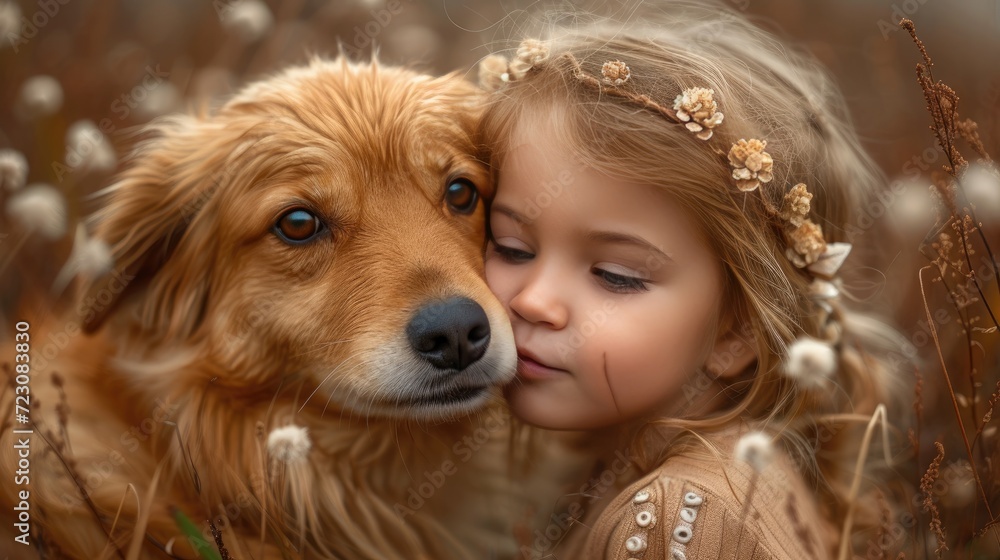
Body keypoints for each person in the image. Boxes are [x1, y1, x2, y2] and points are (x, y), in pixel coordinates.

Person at [476, 3, 908, 558]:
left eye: (615, 276)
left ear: (737, 333)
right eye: (511, 247)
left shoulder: (672, 518)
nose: (533, 301)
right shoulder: (688, 473)